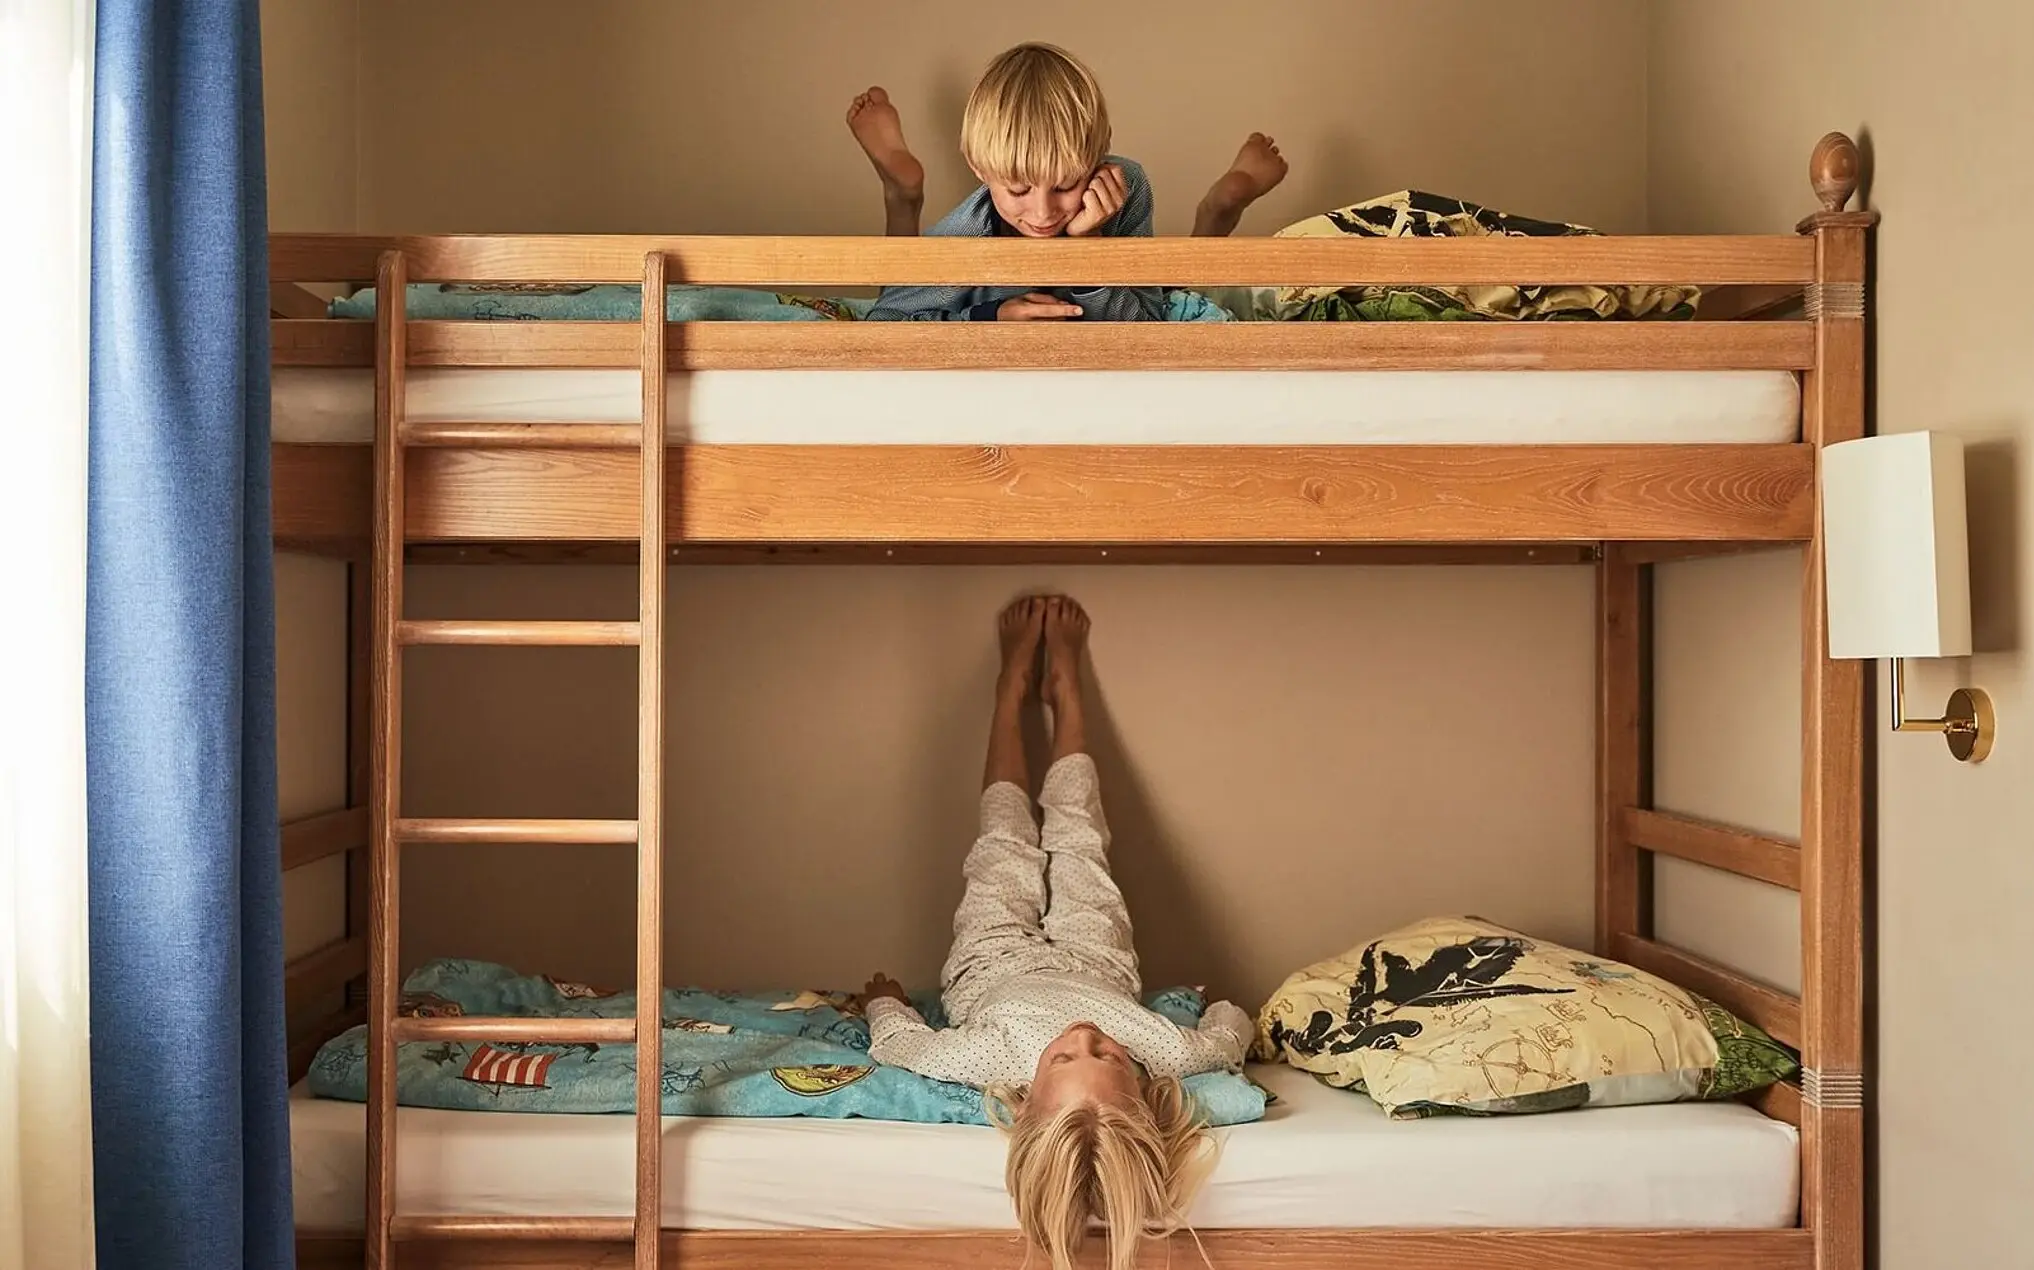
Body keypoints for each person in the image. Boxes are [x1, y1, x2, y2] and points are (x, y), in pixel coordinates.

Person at [858, 596, 1251, 1270]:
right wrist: (1214, 1004)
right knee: (1077, 829)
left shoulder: (987, 1064)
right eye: (1109, 1058)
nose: (1083, 1039)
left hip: (991, 960)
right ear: (1143, 1089)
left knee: (1005, 832)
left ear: (1025, 1102)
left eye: (1064, 1061)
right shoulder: (1166, 1054)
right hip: (1095, 955)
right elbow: (1231, 1028)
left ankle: (1009, 696)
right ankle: (1066, 693)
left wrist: (884, 999)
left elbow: (901, 1045)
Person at [843, 43, 1287, 320]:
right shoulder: (962, 234)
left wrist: (1088, 248)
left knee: (1181, 291)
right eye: (1017, 189)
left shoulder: (1123, 183)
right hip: (956, 274)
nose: (1042, 213)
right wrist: (988, 317)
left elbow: (1146, 323)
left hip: (1139, 281)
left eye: (1065, 185)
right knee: (904, 282)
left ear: (1098, 157)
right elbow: (887, 325)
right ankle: (903, 195)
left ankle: (1219, 210)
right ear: (977, 167)